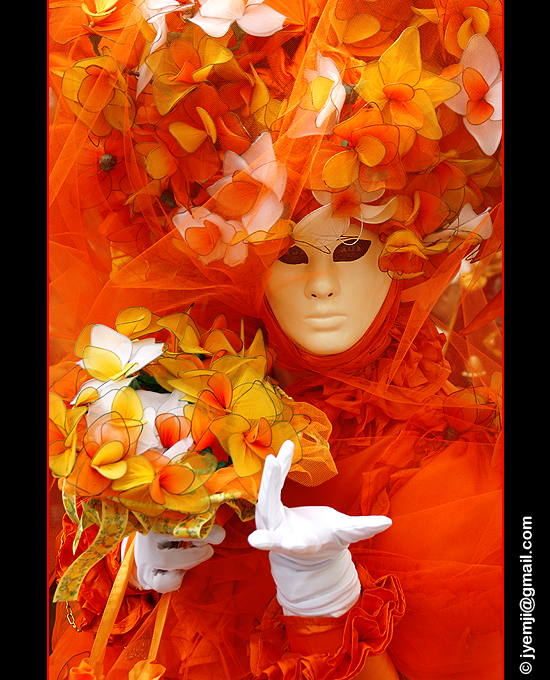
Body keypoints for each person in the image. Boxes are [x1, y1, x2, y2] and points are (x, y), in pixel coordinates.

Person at [48, 1, 503, 678]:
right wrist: (131, 565)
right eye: (289, 255)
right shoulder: (175, 406)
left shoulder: (454, 480)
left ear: (408, 252)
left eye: (350, 247)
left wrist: (324, 607)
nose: (322, 285)